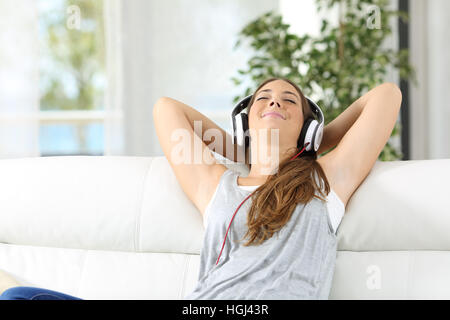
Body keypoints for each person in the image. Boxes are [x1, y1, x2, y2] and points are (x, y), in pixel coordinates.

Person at [154, 77, 402, 299]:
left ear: (307, 129)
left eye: (289, 101)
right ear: (245, 124)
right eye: (263, 98)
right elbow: (166, 108)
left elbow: (387, 95)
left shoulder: (323, 180)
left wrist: (312, 145)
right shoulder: (217, 186)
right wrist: (243, 148)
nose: (274, 103)